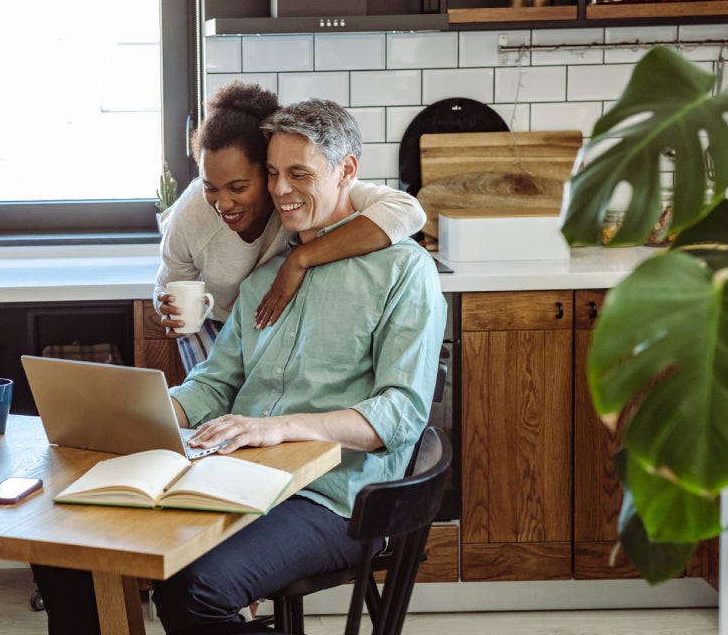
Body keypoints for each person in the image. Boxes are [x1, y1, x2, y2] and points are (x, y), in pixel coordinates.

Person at [32, 98, 446, 634]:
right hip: (237, 478)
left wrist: (277, 428)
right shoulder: (264, 281)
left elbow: (401, 413)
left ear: (347, 171)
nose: (280, 189)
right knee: (65, 544)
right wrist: (147, 414)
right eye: (273, 174)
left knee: (195, 589)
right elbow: (216, 381)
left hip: (332, 498)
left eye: (299, 173)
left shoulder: (404, 272)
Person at [155, 82, 425, 372]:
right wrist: (167, 308)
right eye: (210, 187)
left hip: (269, 316)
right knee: (215, 403)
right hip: (213, 319)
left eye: (238, 187)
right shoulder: (191, 217)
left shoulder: (295, 193)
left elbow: (407, 211)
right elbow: (166, 285)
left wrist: (300, 259)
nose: (222, 203)